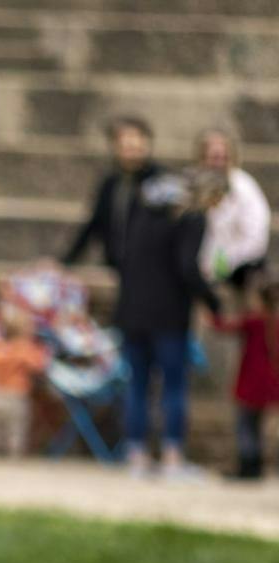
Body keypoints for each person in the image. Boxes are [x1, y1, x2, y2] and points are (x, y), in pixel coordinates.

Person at [109, 168, 220, 476]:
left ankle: (136, 456)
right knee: (174, 386)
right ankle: (172, 457)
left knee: (137, 385)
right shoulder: (190, 218)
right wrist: (213, 301)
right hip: (168, 315)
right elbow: (188, 267)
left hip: (131, 312)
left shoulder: (142, 212)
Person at [61, 115, 162, 272]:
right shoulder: (111, 183)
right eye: (123, 139)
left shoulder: (160, 181)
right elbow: (94, 224)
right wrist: (65, 261)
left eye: (135, 138)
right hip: (116, 266)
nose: (130, 144)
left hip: (149, 271)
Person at [210, 267, 279, 480]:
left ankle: (248, 464)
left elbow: (224, 326)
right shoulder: (273, 322)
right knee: (256, 425)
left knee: (246, 425)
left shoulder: (254, 320)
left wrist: (211, 313)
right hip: (269, 381)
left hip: (251, 381)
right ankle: (256, 463)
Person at [193, 128, 268, 291]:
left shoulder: (244, 187)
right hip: (200, 279)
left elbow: (255, 237)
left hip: (238, 276)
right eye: (214, 157)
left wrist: (224, 264)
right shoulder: (194, 185)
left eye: (223, 158)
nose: (219, 163)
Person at [0, 303, 49, 459]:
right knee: (16, 428)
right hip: (16, 396)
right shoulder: (25, 348)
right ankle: (13, 456)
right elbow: (39, 365)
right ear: (24, 331)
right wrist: (42, 351)